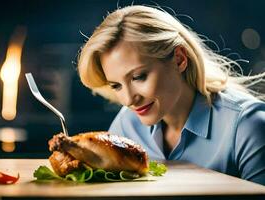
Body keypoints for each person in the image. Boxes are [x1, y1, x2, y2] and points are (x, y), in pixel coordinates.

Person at [77, 5, 265, 185]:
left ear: (179, 59)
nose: (128, 100)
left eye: (138, 77)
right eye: (116, 85)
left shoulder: (246, 126)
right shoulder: (126, 126)